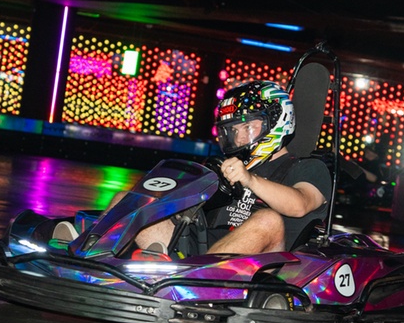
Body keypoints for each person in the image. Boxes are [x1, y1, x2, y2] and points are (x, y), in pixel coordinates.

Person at [129, 80, 333, 255]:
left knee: (268, 219)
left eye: (247, 127)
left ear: (274, 123)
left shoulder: (309, 167)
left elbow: (300, 205)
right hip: (203, 248)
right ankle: (106, 266)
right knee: (130, 201)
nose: (239, 138)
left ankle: (197, 277)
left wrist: (250, 180)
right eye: (233, 130)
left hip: (263, 262)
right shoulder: (227, 167)